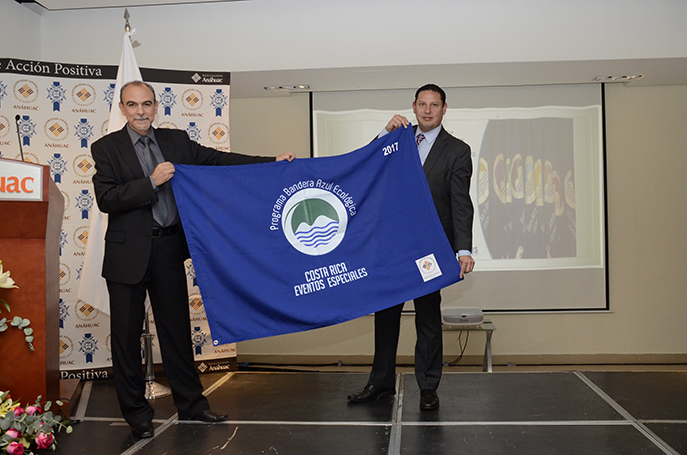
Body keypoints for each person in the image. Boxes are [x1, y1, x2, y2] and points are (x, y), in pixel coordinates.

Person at [91, 80, 295, 438]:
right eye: (133, 105)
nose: (141, 111)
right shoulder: (106, 147)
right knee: (125, 338)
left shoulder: (176, 141)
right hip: (127, 255)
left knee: (176, 332)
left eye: (147, 104)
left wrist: (270, 163)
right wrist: (151, 181)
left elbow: (218, 160)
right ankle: (138, 416)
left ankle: (193, 406)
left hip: (169, 248)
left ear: (156, 107)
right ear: (122, 108)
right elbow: (107, 198)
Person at [347, 84, 474, 411]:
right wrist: (382, 133)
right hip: (390, 246)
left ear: (445, 109)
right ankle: (380, 383)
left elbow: (461, 204)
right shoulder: (397, 138)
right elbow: (365, 166)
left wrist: (463, 250)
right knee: (385, 315)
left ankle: (429, 388)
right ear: (414, 107)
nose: (428, 110)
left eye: (434, 105)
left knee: (428, 318)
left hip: (431, 250)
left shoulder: (457, 150)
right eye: (422, 104)